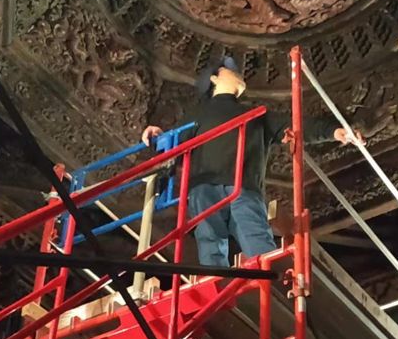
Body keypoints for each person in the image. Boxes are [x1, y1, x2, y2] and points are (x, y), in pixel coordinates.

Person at [141, 56, 363, 267]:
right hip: (205, 185)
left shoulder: (257, 115)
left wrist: (333, 131)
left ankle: (270, 282)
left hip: (243, 187)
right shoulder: (199, 114)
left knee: (255, 235)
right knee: (210, 238)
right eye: (229, 69)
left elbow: (294, 125)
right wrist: (157, 136)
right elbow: (173, 143)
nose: (239, 73)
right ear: (214, 78)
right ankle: (217, 281)